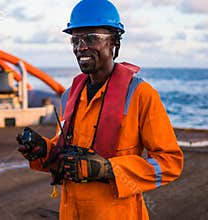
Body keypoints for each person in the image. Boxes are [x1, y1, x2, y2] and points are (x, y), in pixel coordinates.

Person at [17, 0, 184, 219]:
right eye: (75, 40)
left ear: (114, 42)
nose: (81, 47)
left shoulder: (140, 94)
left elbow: (170, 163)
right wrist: (42, 151)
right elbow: (66, 157)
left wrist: (108, 169)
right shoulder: (70, 95)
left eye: (91, 38)